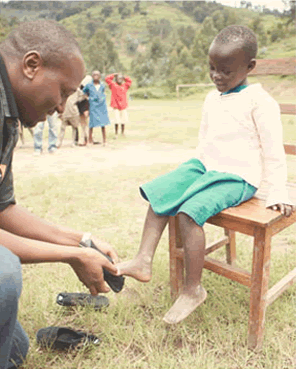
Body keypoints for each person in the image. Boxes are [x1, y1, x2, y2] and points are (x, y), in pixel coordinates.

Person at [116, 25, 296, 325]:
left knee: (189, 213)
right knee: (161, 191)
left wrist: (278, 191)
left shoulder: (260, 102)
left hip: (239, 177)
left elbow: (274, 151)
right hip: (206, 166)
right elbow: (205, 141)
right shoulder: (212, 99)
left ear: (249, 67)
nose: (216, 76)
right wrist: (189, 175)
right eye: (212, 68)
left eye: (225, 71)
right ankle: (143, 260)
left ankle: (192, 289)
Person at [0, 20, 118, 369]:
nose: (61, 106)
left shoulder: (9, 114)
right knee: (4, 273)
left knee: (15, 350)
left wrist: (81, 241)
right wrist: (70, 257)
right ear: (31, 65)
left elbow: (3, 208)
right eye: (63, 91)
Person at [83, 71, 110, 146]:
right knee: (91, 123)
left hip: (102, 105)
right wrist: (88, 98)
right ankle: (90, 140)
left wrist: (102, 97)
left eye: (97, 75)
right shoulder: (89, 85)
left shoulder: (102, 85)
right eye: (94, 75)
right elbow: (84, 92)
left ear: (100, 76)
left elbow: (103, 92)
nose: (95, 76)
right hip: (93, 105)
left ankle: (104, 140)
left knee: (103, 123)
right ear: (92, 76)